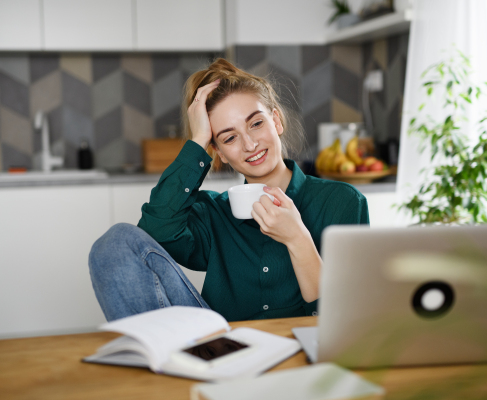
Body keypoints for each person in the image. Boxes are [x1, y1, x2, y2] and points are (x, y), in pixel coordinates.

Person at [89, 58, 369, 322]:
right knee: (114, 243)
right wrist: (198, 140)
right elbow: (157, 230)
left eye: (256, 123)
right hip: (221, 351)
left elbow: (345, 317)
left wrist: (297, 237)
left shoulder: (343, 202)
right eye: (230, 137)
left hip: (304, 348)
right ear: (219, 152)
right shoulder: (212, 213)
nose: (250, 144)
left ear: (277, 121)